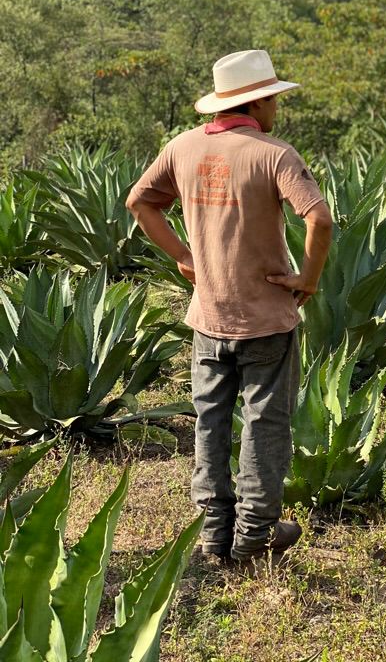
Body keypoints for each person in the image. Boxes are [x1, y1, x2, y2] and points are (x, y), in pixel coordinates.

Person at [126, 49, 333, 570]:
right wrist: (307, 278)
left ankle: (215, 535)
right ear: (259, 101)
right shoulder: (274, 154)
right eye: (274, 100)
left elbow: (140, 202)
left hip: (208, 315)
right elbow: (321, 220)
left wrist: (183, 256)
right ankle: (255, 536)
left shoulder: (183, 148)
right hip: (265, 317)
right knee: (265, 423)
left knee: (209, 421)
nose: (277, 110)